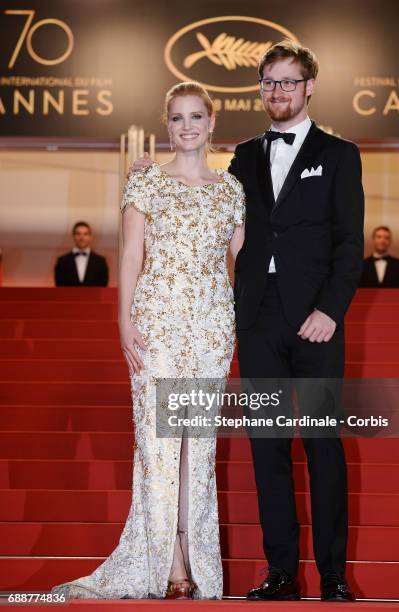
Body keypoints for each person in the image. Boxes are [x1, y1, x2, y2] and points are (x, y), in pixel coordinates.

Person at [50, 82, 245, 600]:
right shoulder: (145, 184)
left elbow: (244, 264)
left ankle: (191, 556)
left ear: (211, 122)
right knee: (159, 446)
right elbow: (131, 257)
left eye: (196, 117)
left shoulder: (231, 190)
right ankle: (166, 560)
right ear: (167, 125)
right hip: (156, 325)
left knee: (197, 449)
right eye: (177, 118)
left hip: (210, 328)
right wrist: (123, 322)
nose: (187, 126)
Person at [228, 40, 364, 602]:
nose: (277, 91)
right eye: (268, 82)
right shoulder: (242, 156)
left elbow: (350, 243)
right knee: (267, 444)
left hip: (316, 322)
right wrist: (155, 172)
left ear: (309, 86)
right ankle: (281, 572)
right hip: (258, 319)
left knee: (324, 442)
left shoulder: (340, 153)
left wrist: (330, 311)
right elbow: (210, 207)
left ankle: (333, 575)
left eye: (287, 81)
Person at [54, 221, 109, 286]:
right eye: (78, 234)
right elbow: (60, 287)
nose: (82, 237)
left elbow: (103, 287)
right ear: (73, 236)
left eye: (85, 234)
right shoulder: (62, 261)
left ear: (90, 237)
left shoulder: (100, 262)